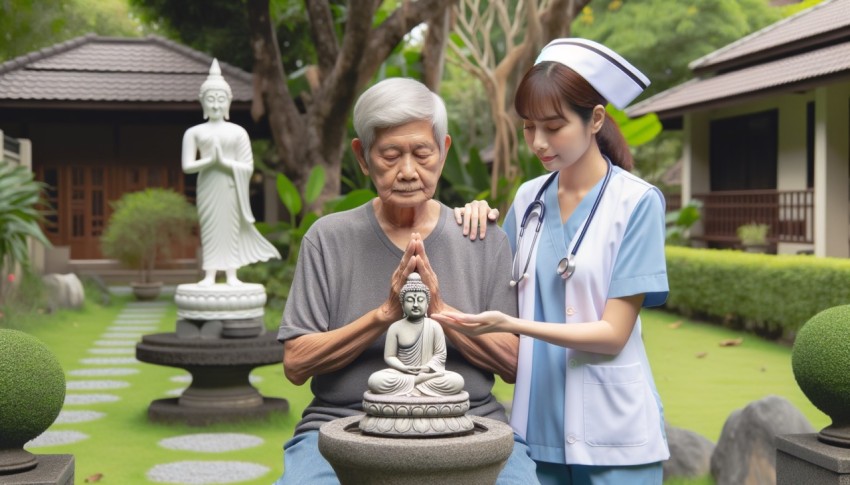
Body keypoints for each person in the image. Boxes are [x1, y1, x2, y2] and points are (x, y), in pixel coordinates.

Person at [275, 77, 538, 484]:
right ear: (362, 157)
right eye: (391, 155)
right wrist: (384, 315)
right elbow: (296, 363)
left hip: (466, 421)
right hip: (345, 422)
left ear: (444, 151)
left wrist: (440, 310)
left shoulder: (482, 237)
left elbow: (515, 363)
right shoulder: (328, 238)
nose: (409, 171)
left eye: (422, 153)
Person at [433, 38, 670, 484]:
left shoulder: (637, 204)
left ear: (595, 119)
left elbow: (612, 334)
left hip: (612, 434)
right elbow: (499, 285)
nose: (538, 143)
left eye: (554, 126)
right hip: (536, 426)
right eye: (528, 127)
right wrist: (472, 218)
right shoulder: (529, 199)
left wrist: (511, 327)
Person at [182, 59, 280, 286]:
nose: (215, 104)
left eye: (220, 99)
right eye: (211, 99)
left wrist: (223, 163)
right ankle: (209, 275)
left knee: (230, 229)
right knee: (209, 229)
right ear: (203, 102)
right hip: (208, 186)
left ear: (228, 102)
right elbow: (188, 166)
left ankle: (232, 274)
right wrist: (210, 161)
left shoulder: (238, 133)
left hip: (230, 187)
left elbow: (247, 166)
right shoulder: (193, 133)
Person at [367, 272, 464, 397]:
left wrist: (427, 368)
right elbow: (390, 356)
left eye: (420, 300)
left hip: (428, 374)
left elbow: (440, 355)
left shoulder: (434, 326)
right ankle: (416, 385)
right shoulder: (395, 327)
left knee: (456, 380)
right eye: (410, 300)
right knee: (375, 380)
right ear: (402, 304)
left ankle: (412, 389)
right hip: (402, 373)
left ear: (427, 303)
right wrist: (404, 368)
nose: (416, 305)